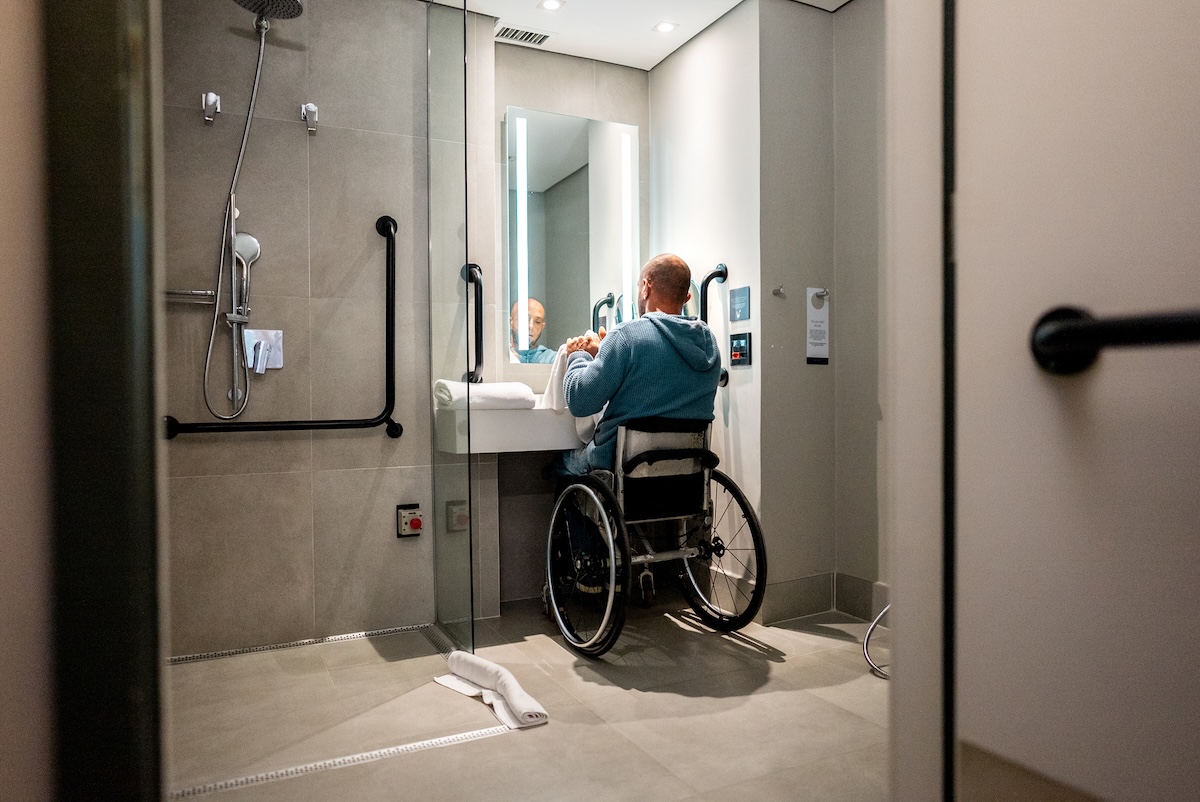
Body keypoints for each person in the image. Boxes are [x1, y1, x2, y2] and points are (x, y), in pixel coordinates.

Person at [558, 253, 721, 475]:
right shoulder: (708, 343)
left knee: (562, 464)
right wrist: (605, 352)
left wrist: (578, 355)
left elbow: (580, 401)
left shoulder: (627, 336)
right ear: (687, 298)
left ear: (645, 287)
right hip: (685, 475)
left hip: (620, 468)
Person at [509, 298, 556, 363]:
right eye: (525, 319)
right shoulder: (499, 355)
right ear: (510, 322)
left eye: (537, 322)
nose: (531, 326)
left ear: (542, 327)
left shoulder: (551, 359)